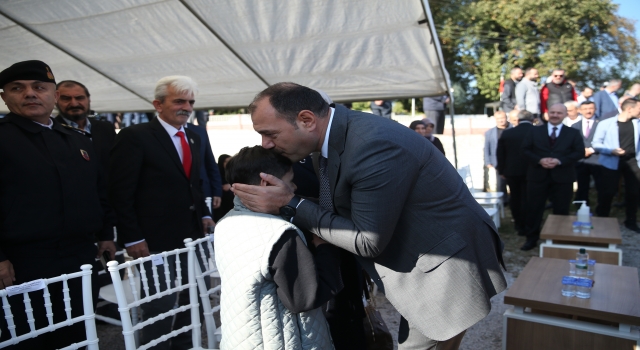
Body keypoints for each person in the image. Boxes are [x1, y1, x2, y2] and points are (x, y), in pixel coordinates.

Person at [232, 82, 507, 349]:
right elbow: (340, 206)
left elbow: (367, 240)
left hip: (446, 268)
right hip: (430, 255)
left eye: (270, 134)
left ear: (306, 120)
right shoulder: (339, 134)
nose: (265, 144)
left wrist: (289, 203)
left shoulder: (371, 145)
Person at [0, 60, 116, 349]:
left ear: (53, 95)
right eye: (18, 88)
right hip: (23, 263)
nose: (30, 94)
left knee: (78, 333)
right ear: (4, 97)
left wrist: (105, 234)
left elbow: (99, 191)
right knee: (29, 338)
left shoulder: (76, 140)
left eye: (39, 87)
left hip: (79, 258)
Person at [109, 75, 214, 350]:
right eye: (179, 100)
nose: (187, 107)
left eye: (191, 102)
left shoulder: (193, 136)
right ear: (158, 104)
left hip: (191, 235)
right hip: (153, 240)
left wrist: (204, 214)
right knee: (160, 302)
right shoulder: (135, 137)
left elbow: (194, 183)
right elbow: (121, 192)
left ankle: (182, 345)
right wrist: (132, 238)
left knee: (194, 298)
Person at [215, 146, 340, 350]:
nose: (295, 187)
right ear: (267, 183)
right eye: (290, 181)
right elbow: (305, 298)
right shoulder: (279, 233)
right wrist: (325, 247)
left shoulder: (226, 222)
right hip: (280, 341)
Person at [521, 103, 584, 250]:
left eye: (559, 113)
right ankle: (531, 238)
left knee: (561, 209)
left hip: (563, 177)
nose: (555, 115)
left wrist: (559, 161)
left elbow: (579, 152)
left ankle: (558, 238)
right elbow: (524, 150)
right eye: (553, 112)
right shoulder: (534, 131)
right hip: (537, 176)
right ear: (547, 113)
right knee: (534, 209)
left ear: (565, 115)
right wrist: (540, 160)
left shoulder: (573, 133)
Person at [591, 98, 640, 232]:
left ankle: (631, 220)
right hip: (611, 161)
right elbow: (596, 143)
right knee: (608, 191)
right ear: (629, 108)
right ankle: (602, 217)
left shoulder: (637, 123)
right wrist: (610, 151)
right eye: (638, 108)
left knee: (634, 192)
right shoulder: (607, 123)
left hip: (632, 161)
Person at [54, 80, 116, 180]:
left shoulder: (105, 128)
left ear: (88, 99)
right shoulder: (51, 131)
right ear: (55, 101)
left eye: (79, 98)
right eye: (66, 98)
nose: (74, 103)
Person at [497, 111, 535, 236]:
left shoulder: (507, 133)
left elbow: (500, 154)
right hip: (532, 171)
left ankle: (519, 225)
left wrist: (502, 170)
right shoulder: (538, 132)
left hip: (511, 172)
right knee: (529, 198)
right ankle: (529, 224)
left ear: (518, 120)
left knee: (515, 197)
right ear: (532, 120)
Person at [185, 122, 222, 210]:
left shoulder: (200, 130)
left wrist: (217, 191)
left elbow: (210, 161)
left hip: (204, 192)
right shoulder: (151, 132)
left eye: (191, 106)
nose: (186, 108)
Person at [571, 101, 601, 208]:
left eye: (591, 108)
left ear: (595, 109)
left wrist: (592, 150)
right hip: (581, 160)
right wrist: (581, 151)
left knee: (600, 186)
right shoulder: (575, 126)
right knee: (582, 185)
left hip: (597, 160)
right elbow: (572, 142)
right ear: (579, 110)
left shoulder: (601, 124)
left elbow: (606, 140)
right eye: (585, 109)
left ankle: (601, 208)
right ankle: (581, 206)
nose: (588, 111)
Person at [484, 111, 509, 194]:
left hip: (512, 161)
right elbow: (486, 147)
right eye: (498, 119)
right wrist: (488, 161)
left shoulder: (513, 129)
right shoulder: (489, 133)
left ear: (506, 118)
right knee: (500, 184)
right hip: (497, 162)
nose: (501, 120)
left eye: (502, 118)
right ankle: (503, 202)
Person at [214, 154, 235, 221]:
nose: (228, 163)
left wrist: (230, 185)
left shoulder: (234, 173)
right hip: (220, 204)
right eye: (225, 161)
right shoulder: (217, 174)